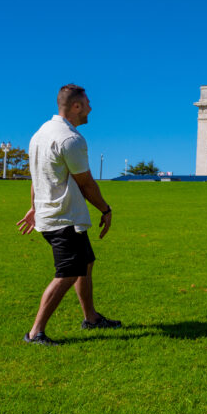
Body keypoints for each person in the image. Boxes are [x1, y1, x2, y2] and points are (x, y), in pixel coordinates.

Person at [16, 84, 121, 345]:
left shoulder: (40, 133)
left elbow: (38, 176)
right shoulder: (70, 139)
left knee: (85, 263)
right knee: (68, 273)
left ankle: (92, 318)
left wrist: (34, 206)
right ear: (76, 106)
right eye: (87, 103)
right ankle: (35, 333)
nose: (91, 108)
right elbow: (86, 184)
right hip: (63, 218)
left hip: (56, 214)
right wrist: (105, 210)